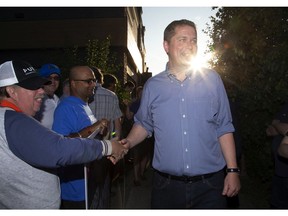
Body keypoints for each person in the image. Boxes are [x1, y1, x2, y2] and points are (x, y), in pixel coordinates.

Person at [120, 19, 240, 209]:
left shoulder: (212, 80)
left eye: (194, 40)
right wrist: (127, 143)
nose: (190, 45)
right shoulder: (153, 86)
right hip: (166, 187)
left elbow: (224, 126)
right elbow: (144, 123)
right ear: (166, 46)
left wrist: (232, 170)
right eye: (182, 39)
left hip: (210, 186)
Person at [0, 60, 127, 209]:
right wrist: (107, 147)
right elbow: (59, 149)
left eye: (40, 85)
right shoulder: (14, 121)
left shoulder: (12, 118)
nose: (41, 91)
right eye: (32, 86)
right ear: (11, 91)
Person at [52, 65, 120, 209]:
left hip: (89, 179)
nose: (94, 84)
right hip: (75, 190)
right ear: (73, 83)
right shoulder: (65, 108)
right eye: (88, 81)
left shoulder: (84, 105)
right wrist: (92, 128)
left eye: (94, 80)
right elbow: (60, 146)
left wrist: (99, 131)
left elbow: (86, 135)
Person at [88, 67, 123, 208]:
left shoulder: (82, 94)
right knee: (103, 183)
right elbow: (117, 125)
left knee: (88, 186)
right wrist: (115, 140)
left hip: (86, 146)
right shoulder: (111, 96)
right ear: (101, 80)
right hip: (106, 146)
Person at [125, 86, 152, 186]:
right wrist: (128, 106)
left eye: (143, 92)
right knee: (137, 156)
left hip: (148, 134)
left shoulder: (150, 103)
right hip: (136, 133)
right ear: (137, 94)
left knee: (145, 155)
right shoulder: (135, 104)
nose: (141, 94)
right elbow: (128, 116)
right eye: (140, 93)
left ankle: (141, 173)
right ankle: (136, 178)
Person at [266, 102, 288, 208]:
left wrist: (276, 125)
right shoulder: (286, 106)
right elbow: (270, 131)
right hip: (279, 170)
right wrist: (279, 127)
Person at [34, 63, 61, 129]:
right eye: (49, 78)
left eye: (56, 78)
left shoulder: (57, 99)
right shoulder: (36, 100)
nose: (53, 81)